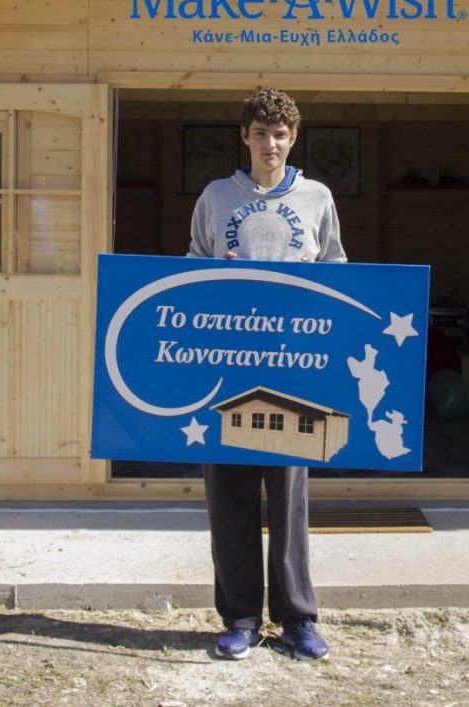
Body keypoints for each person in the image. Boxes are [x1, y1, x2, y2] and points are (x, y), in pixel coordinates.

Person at [187, 87, 345, 660]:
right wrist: (218, 273)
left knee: (289, 498)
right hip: (227, 368)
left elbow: (338, 272)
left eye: (279, 134)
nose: (269, 144)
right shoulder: (216, 196)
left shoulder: (317, 197)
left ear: (293, 138)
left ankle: (297, 619)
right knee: (229, 496)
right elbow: (189, 272)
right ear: (245, 137)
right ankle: (240, 618)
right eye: (260, 133)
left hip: (292, 367)